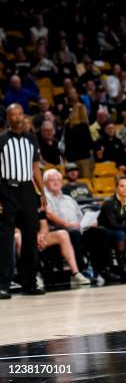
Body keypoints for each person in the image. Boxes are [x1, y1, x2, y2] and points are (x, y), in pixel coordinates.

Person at [0, 104, 46, 298]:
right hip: (6, 189)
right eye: (13, 115)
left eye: (20, 114)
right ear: (8, 118)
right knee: (4, 240)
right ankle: (3, 284)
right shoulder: (1, 140)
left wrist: (42, 192)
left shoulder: (32, 138)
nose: (17, 117)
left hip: (27, 189)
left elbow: (35, 167)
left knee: (30, 238)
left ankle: (30, 282)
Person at [97, 176, 126, 279]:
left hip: (122, 227)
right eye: (121, 186)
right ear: (116, 188)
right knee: (120, 233)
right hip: (106, 230)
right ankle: (123, 267)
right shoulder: (109, 202)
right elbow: (113, 224)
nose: (125, 188)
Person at [63, 103, 94, 179]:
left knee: (74, 180)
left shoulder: (68, 125)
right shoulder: (83, 126)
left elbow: (67, 143)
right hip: (84, 158)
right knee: (86, 181)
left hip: (71, 159)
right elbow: (89, 143)